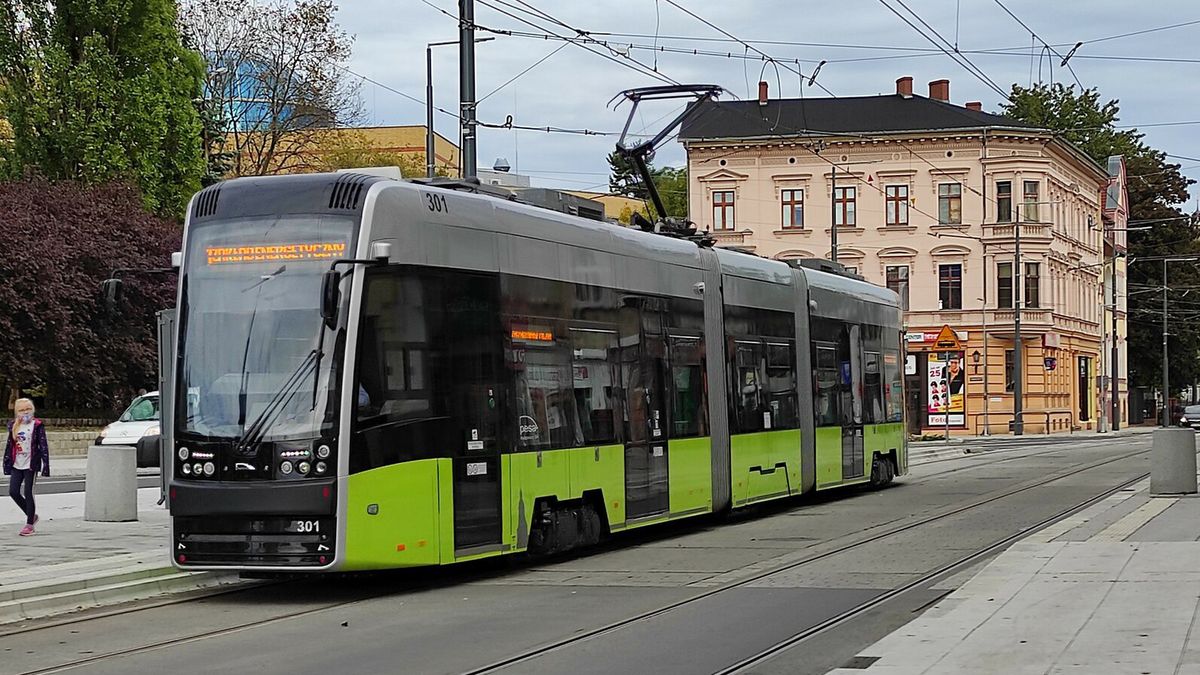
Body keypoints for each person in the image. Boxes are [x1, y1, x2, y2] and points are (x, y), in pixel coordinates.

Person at [4, 398, 49, 536]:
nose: (25, 412)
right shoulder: (13, 426)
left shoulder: (37, 425)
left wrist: (45, 464)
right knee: (13, 491)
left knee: (29, 493)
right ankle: (32, 515)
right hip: (17, 463)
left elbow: (43, 445)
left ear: (32, 410)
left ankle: (29, 524)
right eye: (22, 410)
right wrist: (6, 463)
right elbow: (9, 446)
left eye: (28, 409)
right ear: (17, 412)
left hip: (31, 464)